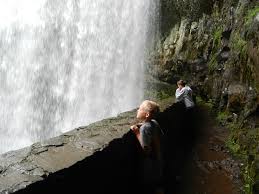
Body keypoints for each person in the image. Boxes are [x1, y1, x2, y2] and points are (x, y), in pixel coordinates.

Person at [130, 100, 164, 194]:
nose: (138, 110)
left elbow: (146, 150)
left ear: (147, 114)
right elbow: (159, 135)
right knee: (158, 180)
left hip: (150, 160)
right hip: (159, 158)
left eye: (140, 109)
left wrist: (137, 133)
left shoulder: (145, 129)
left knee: (149, 181)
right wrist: (142, 124)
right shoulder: (154, 122)